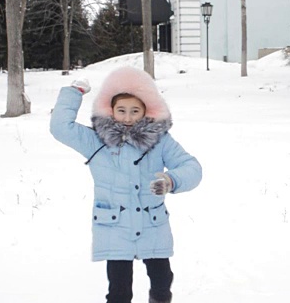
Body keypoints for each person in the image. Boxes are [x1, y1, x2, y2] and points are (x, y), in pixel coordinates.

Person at [50, 66, 202, 303]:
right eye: (121, 110)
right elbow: (60, 128)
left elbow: (192, 167)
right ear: (110, 111)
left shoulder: (160, 141)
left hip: (153, 225)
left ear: (146, 111)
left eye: (135, 111)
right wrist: (74, 92)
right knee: (119, 291)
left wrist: (171, 180)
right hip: (115, 227)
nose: (128, 117)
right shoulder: (96, 141)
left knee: (162, 282)